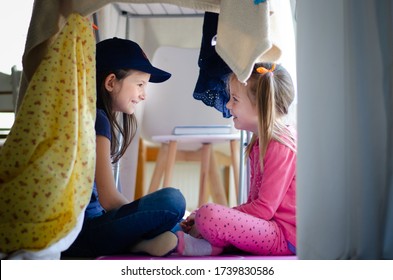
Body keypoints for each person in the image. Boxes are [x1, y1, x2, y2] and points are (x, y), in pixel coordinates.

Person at [62, 37, 186, 258]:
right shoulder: (96, 120)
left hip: (89, 231)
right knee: (173, 201)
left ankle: (137, 244)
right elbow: (109, 199)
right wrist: (143, 219)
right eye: (140, 84)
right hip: (84, 234)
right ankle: (147, 240)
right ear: (111, 82)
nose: (143, 94)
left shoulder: (93, 118)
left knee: (169, 211)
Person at [176, 62, 296, 256]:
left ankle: (208, 243)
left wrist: (211, 218)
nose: (228, 105)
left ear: (261, 105)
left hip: (284, 237)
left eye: (235, 99)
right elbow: (254, 206)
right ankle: (209, 244)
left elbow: (263, 210)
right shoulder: (259, 142)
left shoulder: (280, 145)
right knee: (204, 215)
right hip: (269, 228)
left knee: (209, 214)